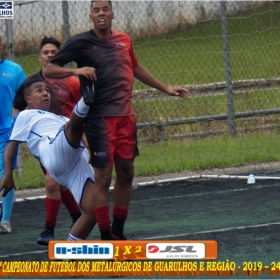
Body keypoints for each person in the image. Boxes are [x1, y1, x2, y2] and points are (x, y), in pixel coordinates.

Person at [44, 0, 191, 240]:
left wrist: (166, 89)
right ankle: (105, 234)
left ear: (112, 13)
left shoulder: (124, 40)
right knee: (103, 177)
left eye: (105, 9)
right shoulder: (81, 42)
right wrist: (77, 71)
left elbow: (135, 66)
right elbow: (49, 70)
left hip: (126, 118)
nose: (101, 13)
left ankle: (119, 232)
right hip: (99, 120)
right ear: (90, 16)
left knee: (127, 173)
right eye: (96, 10)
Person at [1, 79, 96, 241]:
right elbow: (11, 146)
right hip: (54, 153)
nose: (45, 93)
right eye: (39, 90)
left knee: (94, 211)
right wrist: (8, 174)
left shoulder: (61, 118)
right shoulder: (25, 115)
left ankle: (67, 254)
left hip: (76, 163)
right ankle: (86, 99)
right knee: (72, 125)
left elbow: (82, 135)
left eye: (47, 90)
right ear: (28, 99)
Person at [13, 36, 83, 245]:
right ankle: (76, 218)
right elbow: (17, 108)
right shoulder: (31, 84)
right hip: (44, 144)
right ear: (39, 57)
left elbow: (85, 107)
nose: (50, 56)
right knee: (58, 183)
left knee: (54, 181)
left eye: (54, 53)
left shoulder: (72, 81)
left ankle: (49, 230)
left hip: (70, 141)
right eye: (46, 53)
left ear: (60, 56)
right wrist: (22, 126)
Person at [0, 36, 26, 234]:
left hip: (7, 132)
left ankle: (5, 220)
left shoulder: (14, 70)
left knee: (5, 172)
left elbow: (25, 97)